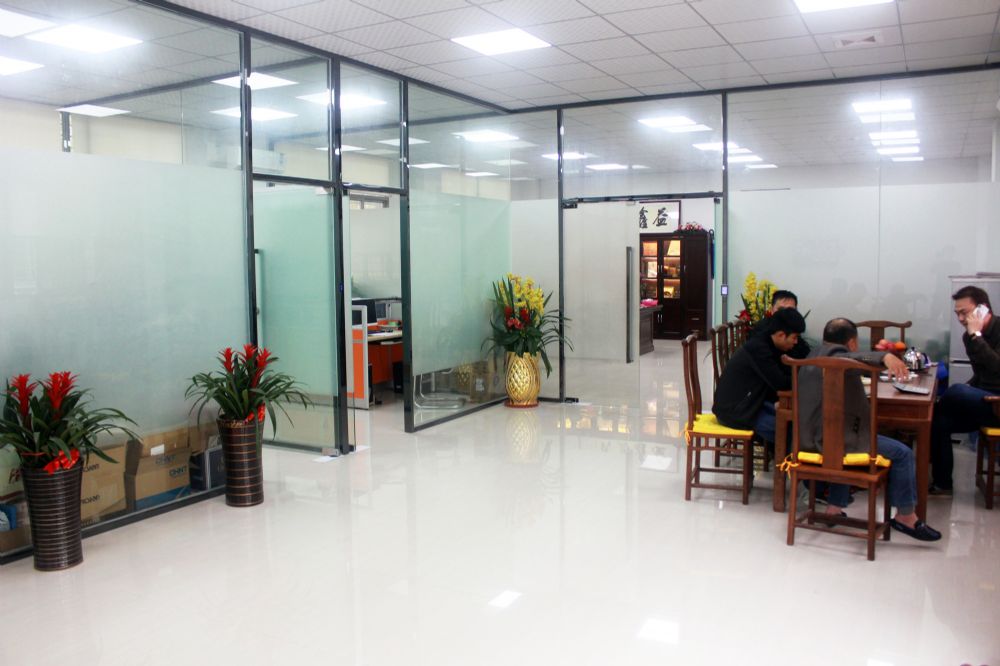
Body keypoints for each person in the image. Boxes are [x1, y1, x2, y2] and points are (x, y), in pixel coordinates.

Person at [798, 318, 942, 541]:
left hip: (808, 442)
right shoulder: (839, 357)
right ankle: (906, 516)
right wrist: (884, 356)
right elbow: (851, 358)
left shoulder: (811, 355)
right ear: (852, 343)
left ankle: (833, 510)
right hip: (831, 443)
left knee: (841, 435)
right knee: (902, 453)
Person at [929, 286, 1000, 496]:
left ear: (982, 309)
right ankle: (943, 484)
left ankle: (941, 402)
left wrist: (976, 335)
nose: (960, 319)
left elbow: (997, 367)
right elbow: (981, 374)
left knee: (956, 391)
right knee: (937, 420)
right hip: (985, 402)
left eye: (964, 313)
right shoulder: (968, 337)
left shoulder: (978, 334)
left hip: (998, 404)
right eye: (957, 313)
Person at [714, 307, 806, 443]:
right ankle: (783, 457)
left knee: (797, 422)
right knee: (788, 430)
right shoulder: (759, 349)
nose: (796, 342)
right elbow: (780, 383)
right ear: (781, 335)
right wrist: (807, 380)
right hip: (735, 411)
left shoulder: (768, 342)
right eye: (795, 337)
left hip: (753, 403)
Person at [752, 290, 811, 359]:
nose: (785, 314)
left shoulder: (793, 326)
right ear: (771, 310)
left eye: (790, 310)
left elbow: (802, 349)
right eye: (781, 310)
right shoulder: (761, 330)